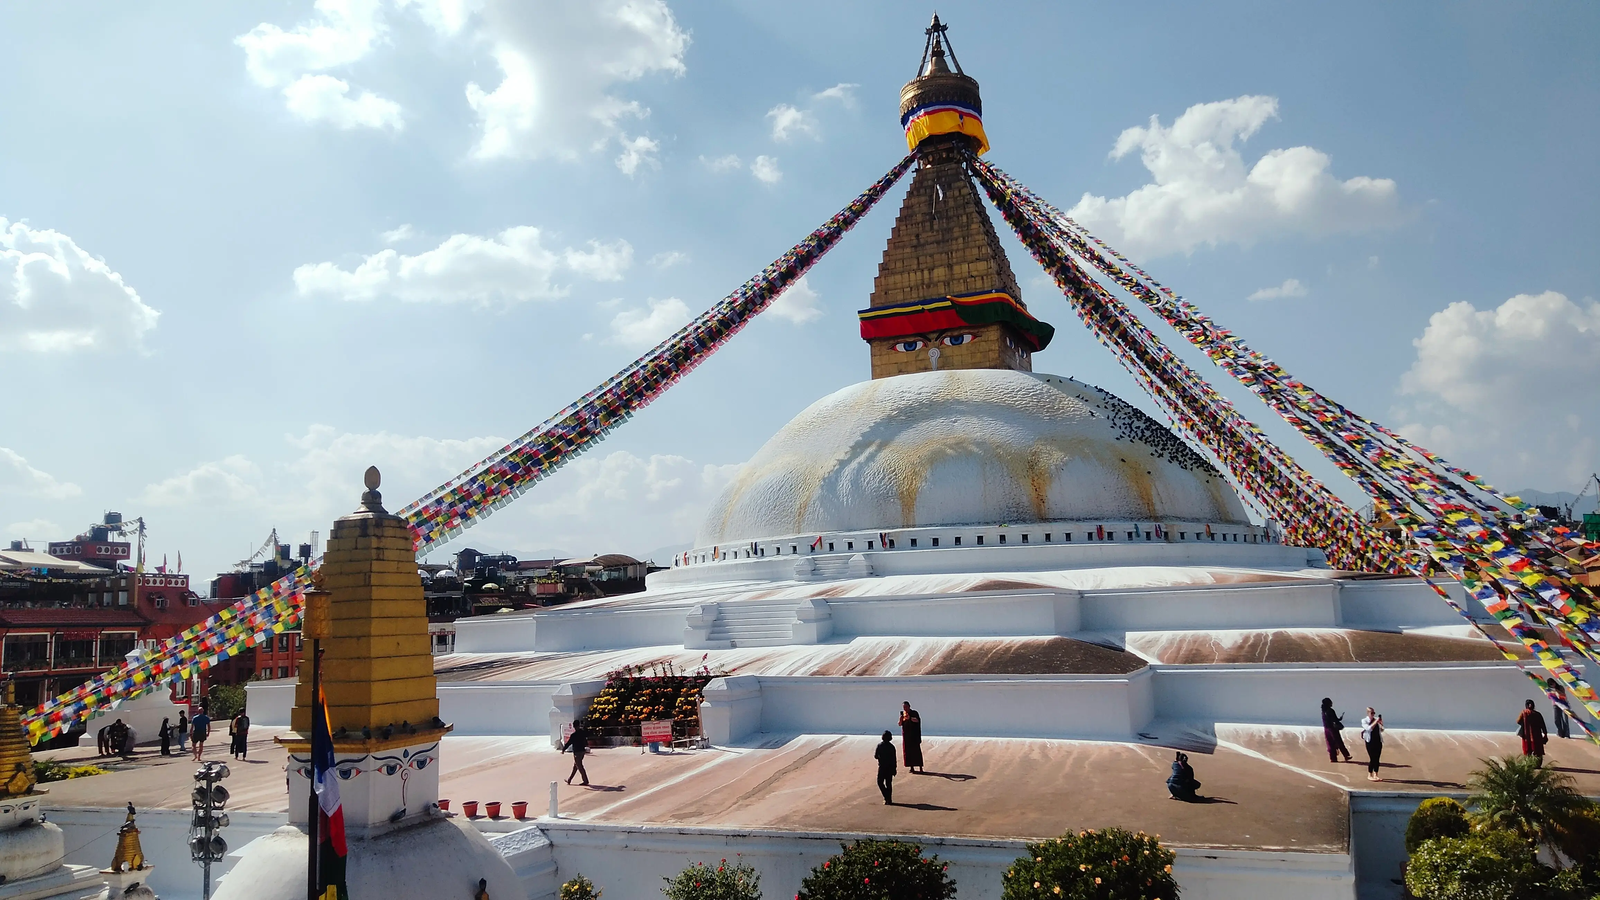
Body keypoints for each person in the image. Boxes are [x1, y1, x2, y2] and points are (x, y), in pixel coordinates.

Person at [1517, 699, 1548, 767]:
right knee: (1538, 750)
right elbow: (1543, 725)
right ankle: (1537, 765)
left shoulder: (1524, 713)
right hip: (1537, 736)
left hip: (1527, 736)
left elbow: (1518, 721)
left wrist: (1524, 724)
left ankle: (1528, 764)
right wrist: (1545, 735)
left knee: (1528, 750)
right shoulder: (1538, 714)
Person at [1321, 698, 1353, 763]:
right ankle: (1346, 755)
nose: (1332, 703)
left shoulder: (1323, 711)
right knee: (1339, 742)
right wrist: (1340, 719)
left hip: (1326, 729)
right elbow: (1334, 720)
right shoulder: (1331, 710)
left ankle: (1333, 758)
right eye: (1330, 702)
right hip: (1332, 729)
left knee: (1330, 743)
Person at [561, 719, 591, 786]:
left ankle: (585, 781)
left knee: (579, 766)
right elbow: (585, 739)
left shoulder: (573, 735)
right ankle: (569, 780)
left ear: (574, 726)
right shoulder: (582, 732)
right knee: (576, 766)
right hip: (582, 751)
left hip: (577, 753)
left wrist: (563, 749)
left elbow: (568, 743)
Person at [898, 701, 924, 774]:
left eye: (906, 707)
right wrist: (900, 719)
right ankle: (911, 767)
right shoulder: (903, 714)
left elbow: (917, 720)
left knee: (916, 751)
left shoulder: (914, 713)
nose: (905, 708)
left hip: (914, 735)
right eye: (904, 707)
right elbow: (900, 724)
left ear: (909, 706)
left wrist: (910, 718)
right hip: (906, 736)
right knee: (908, 751)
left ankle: (920, 767)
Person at [1361, 707, 1385, 781]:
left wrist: (1381, 723)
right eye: (1371, 713)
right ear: (1368, 713)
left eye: (1374, 713)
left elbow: (1382, 730)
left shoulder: (1376, 720)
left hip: (1378, 741)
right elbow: (1369, 728)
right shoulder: (1364, 720)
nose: (1373, 714)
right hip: (1370, 742)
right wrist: (1376, 721)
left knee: (1377, 758)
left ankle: (1376, 774)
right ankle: (1369, 774)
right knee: (1372, 758)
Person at [875, 730, 897, 805]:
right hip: (890, 768)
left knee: (880, 782)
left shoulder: (880, 746)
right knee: (888, 783)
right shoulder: (892, 747)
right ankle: (889, 798)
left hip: (882, 767)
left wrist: (880, 758)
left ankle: (886, 796)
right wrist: (894, 769)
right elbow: (894, 759)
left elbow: (875, 756)